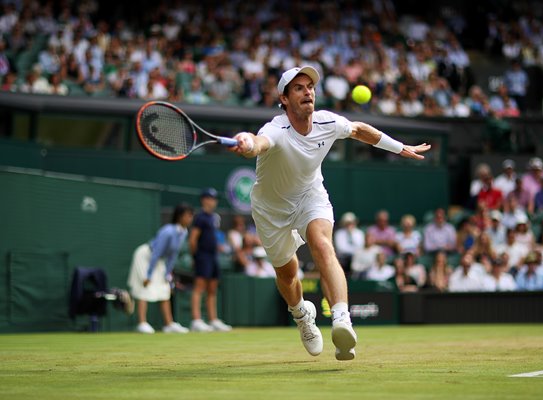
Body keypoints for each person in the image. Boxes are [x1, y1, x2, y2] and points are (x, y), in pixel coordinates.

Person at [228, 65, 431, 361]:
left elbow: (360, 130)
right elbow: (258, 143)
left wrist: (400, 148)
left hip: (311, 195)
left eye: (310, 86)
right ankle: (301, 316)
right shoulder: (275, 129)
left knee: (322, 245)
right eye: (298, 88)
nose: (308, 91)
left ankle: (341, 320)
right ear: (284, 99)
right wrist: (247, 143)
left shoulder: (327, 122)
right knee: (288, 275)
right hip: (271, 209)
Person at [127, 203, 193, 334]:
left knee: (164, 288)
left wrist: (167, 274)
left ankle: (168, 324)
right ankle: (142, 323)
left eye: (191, 216)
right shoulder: (168, 231)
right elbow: (156, 252)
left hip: (159, 260)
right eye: (188, 215)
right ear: (180, 216)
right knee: (145, 285)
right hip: (146, 256)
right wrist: (148, 274)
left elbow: (173, 256)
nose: (190, 218)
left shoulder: (183, 232)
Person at [189, 188, 233, 333]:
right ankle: (196, 320)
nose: (213, 201)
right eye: (210, 198)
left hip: (214, 256)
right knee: (199, 288)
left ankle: (213, 320)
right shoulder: (200, 217)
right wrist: (196, 257)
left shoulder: (213, 218)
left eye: (214, 199)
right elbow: (193, 240)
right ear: (204, 200)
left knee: (212, 289)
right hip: (203, 256)